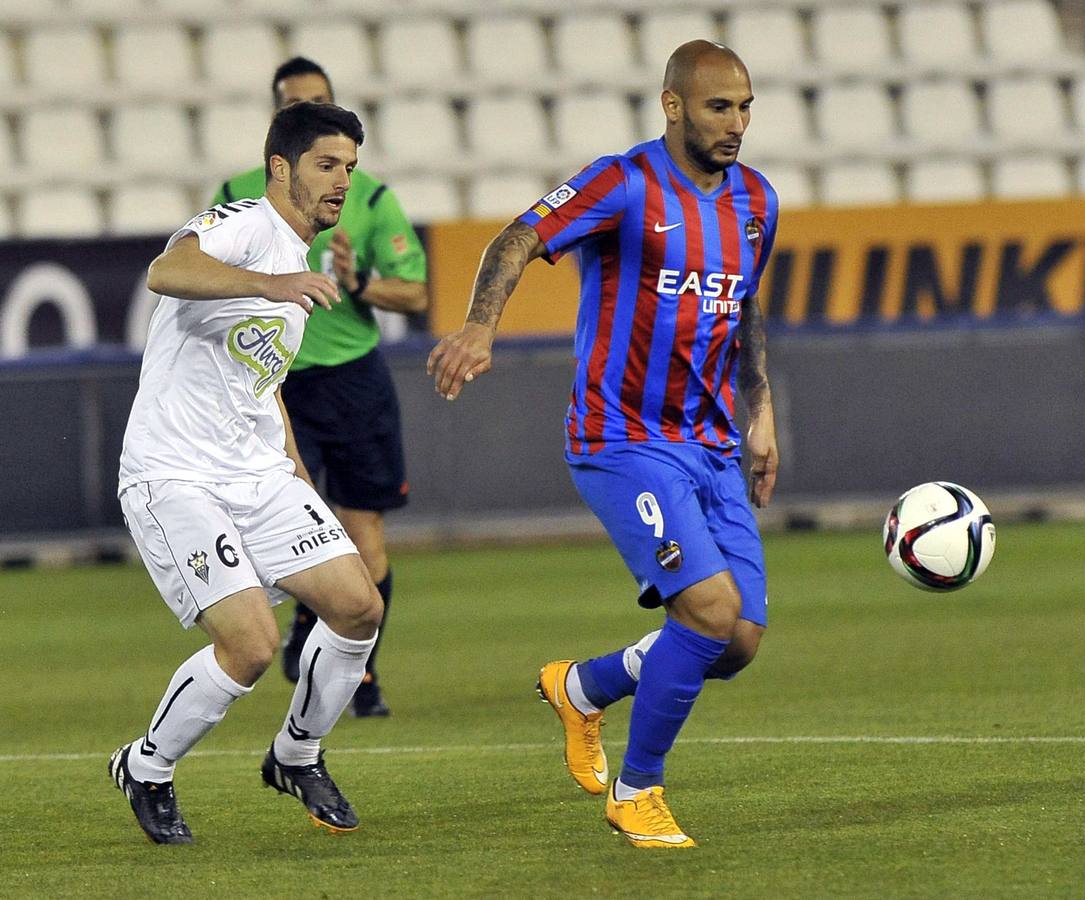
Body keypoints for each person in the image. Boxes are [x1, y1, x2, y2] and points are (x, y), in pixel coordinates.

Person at [428, 41, 780, 849]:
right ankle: (636, 789)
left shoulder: (756, 201)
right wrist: (482, 326)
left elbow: (745, 310)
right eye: (720, 106)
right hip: (622, 438)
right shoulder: (623, 183)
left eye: (746, 106)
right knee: (709, 609)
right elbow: (517, 237)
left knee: (737, 642)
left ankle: (583, 689)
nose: (737, 123)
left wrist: (759, 413)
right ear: (673, 106)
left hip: (713, 442)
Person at [111, 102, 384, 845]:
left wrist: (295, 475)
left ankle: (296, 755)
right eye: (327, 165)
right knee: (253, 645)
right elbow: (167, 268)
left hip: (257, 472)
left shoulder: (303, 263)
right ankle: (147, 766)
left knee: (359, 606)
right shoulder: (244, 225)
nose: (341, 182)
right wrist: (267, 287)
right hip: (175, 474)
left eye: (350, 170)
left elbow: (258, 385)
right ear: (280, 169)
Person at [213, 57, 429, 717]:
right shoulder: (241, 193)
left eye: (317, 100)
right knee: (282, 523)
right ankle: (308, 621)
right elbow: (207, 277)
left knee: (364, 528)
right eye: (293, 103)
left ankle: (357, 676)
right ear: (280, 120)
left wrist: (358, 280)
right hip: (275, 382)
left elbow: (415, 289)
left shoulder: (364, 195)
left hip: (351, 377)